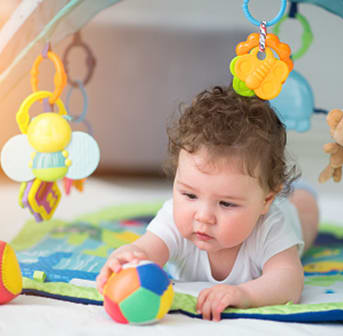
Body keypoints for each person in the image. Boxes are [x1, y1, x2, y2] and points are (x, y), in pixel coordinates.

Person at [97, 85, 319, 321]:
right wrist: (127, 257)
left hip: (287, 211)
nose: (203, 216)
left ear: (266, 201)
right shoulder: (174, 217)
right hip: (264, 193)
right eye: (190, 195)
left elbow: (288, 280)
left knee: (304, 213)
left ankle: (302, 193)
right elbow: (147, 249)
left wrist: (244, 294)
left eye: (226, 203)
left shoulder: (270, 225)